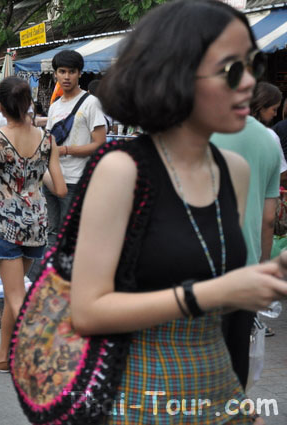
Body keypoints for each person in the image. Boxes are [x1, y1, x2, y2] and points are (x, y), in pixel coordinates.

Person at [70, 1, 287, 423]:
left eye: (252, 65)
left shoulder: (235, 171)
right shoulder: (122, 170)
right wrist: (215, 293)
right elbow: (87, 311)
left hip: (218, 389)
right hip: (139, 397)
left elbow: (220, 291)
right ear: (176, 75)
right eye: (231, 69)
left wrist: (267, 278)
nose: (249, 82)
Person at [0, 76, 66, 372]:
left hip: (7, 225)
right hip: (36, 225)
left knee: (16, 296)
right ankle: (4, 356)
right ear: (28, 103)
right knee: (12, 291)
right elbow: (60, 188)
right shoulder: (47, 139)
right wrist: (33, 172)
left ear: (1, 106)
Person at [212, 116, 281, 389]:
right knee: (239, 350)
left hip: (204, 265)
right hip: (248, 265)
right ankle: (235, 405)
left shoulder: (199, 131)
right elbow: (269, 218)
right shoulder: (269, 140)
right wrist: (263, 264)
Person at [45, 50, 107, 247]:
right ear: (55, 74)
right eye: (62, 71)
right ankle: (50, 268)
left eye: (71, 71)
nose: (66, 76)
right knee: (51, 235)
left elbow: (100, 143)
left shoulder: (91, 103)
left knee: (71, 238)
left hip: (77, 180)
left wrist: (65, 150)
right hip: (52, 179)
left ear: (80, 74)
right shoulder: (54, 106)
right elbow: (49, 140)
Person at [250, 82, 287, 185]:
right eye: (274, 109)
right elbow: (282, 175)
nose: (275, 114)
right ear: (261, 107)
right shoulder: (269, 135)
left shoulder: (230, 130)